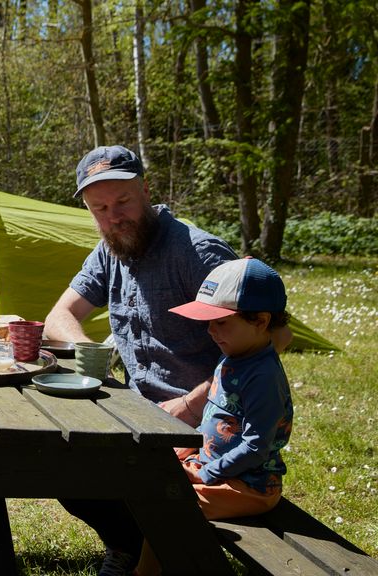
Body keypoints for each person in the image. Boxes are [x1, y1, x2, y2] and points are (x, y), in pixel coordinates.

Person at [43, 145, 290, 575]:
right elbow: (59, 317)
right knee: (60, 464)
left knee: (104, 474)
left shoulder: (198, 253)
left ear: (145, 190)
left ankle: (153, 553)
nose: (114, 217)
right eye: (99, 208)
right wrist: (89, 351)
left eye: (123, 201)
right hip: (138, 411)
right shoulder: (109, 250)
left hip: (199, 426)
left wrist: (195, 402)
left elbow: (276, 334)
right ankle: (130, 544)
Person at [134, 256, 293, 575]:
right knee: (148, 475)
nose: (210, 331)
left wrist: (206, 473)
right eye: (208, 322)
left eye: (221, 322)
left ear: (260, 321)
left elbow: (255, 447)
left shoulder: (263, 377)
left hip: (251, 486)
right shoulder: (235, 356)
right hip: (218, 468)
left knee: (170, 502)